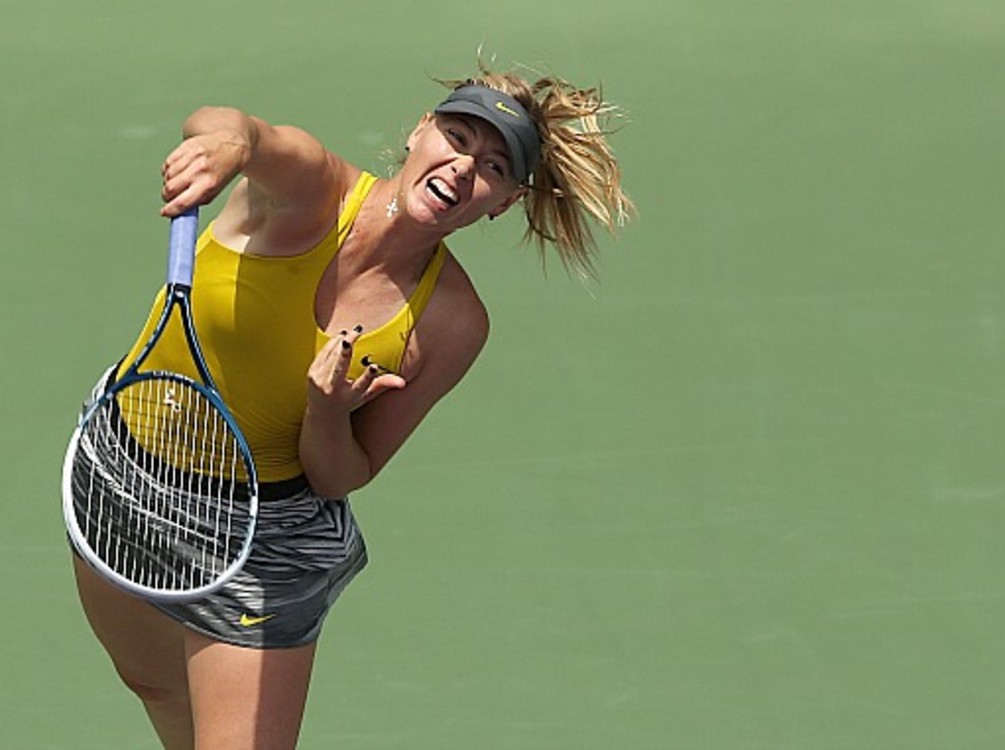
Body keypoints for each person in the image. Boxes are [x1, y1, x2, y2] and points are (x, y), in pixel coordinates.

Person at [69, 63, 633, 749]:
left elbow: (341, 475)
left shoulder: (451, 324)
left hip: (262, 541)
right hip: (123, 474)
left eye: (491, 167)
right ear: (420, 132)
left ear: (505, 201)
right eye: (455, 137)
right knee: (154, 688)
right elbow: (242, 131)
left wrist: (328, 411)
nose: (461, 168)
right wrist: (222, 148)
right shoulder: (310, 192)